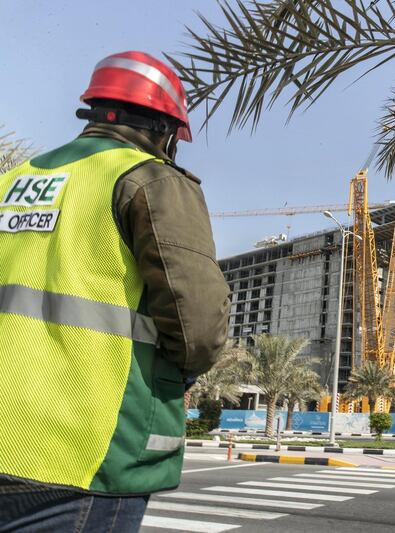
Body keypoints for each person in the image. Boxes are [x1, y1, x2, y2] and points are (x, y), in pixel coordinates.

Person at [0, 51, 230, 531]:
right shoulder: (151, 179)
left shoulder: (16, 181)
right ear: (165, 129)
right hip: (80, 445)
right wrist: (180, 376)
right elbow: (199, 327)